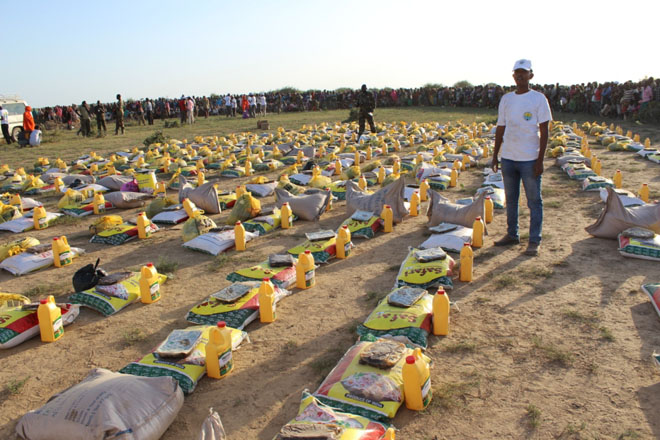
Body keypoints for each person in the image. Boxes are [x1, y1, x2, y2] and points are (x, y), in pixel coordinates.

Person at [491, 59, 551, 257]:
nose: (520, 75)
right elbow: (501, 128)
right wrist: (495, 155)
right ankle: (512, 234)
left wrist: (540, 160)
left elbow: (544, 130)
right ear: (513, 76)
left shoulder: (538, 99)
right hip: (509, 157)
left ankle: (534, 240)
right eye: (517, 72)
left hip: (529, 159)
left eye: (523, 72)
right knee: (511, 199)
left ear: (530, 75)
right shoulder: (506, 99)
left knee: (534, 201)